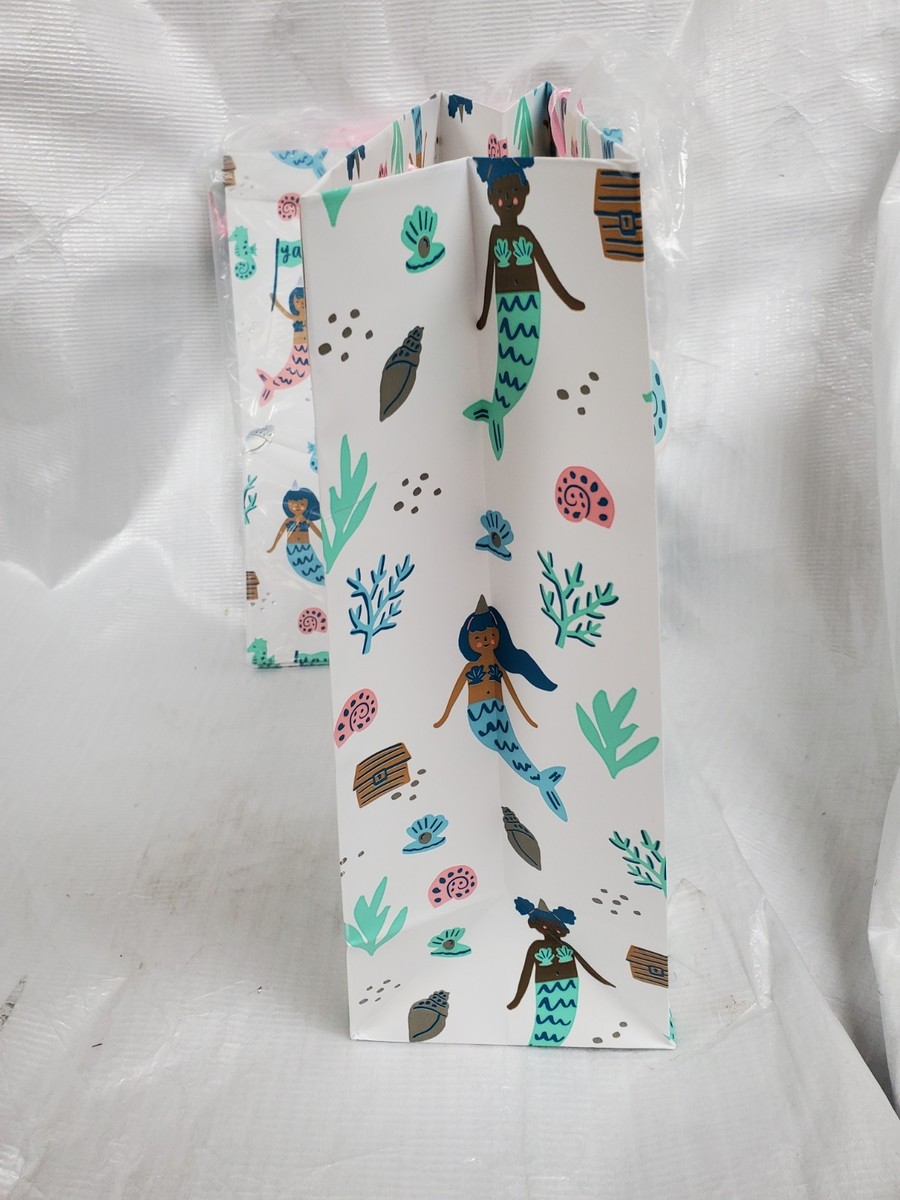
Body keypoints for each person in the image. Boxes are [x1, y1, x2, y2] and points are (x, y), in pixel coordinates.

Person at [463, 157, 584, 459]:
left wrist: (568, 299)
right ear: (490, 198)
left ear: (526, 191)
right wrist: (484, 315)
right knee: (508, 355)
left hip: (529, 303)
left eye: (513, 193)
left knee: (523, 356)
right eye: (500, 195)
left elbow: (546, 268)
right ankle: (496, 411)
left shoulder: (525, 234)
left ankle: (497, 412)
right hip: (507, 304)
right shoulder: (494, 235)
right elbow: (489, 275)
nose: (507, 200)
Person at [434, 596, 567, 820]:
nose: (485, 641)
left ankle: (539, 780)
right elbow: (455, 693)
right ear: (469, 640)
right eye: (478, 638)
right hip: (478, 717)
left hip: (500, 713)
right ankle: (541, 781)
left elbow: (513, 694)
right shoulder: (469, 667)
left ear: (497, 636)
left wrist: (526, 716)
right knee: (507, 750)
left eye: (490, 636)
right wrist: (444, 717)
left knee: (512, 749)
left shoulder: (498, 666)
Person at [508, 897, 614, 1046]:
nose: (552, 932)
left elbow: (585, 965)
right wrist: (517, 999)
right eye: (546, 927)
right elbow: (526, 972)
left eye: (556, 929)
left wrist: (604, 982)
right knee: (546, 1019)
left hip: (569, 987)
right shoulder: (536, 946)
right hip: (546, 988)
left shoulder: (565, 946)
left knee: (563, 1019)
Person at [266, 486, 324, 584]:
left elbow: (317, 532)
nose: (297, 506)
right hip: (292, 549)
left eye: (302, 504)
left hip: (306, 548)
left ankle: (322, 579)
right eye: (292, 504)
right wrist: (274, 546)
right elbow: (280, 533)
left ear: (308, 504)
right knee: (301, 567)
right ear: (288, 505)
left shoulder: (307, 520)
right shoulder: (288, 521)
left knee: (312, 566)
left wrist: (325, 541)